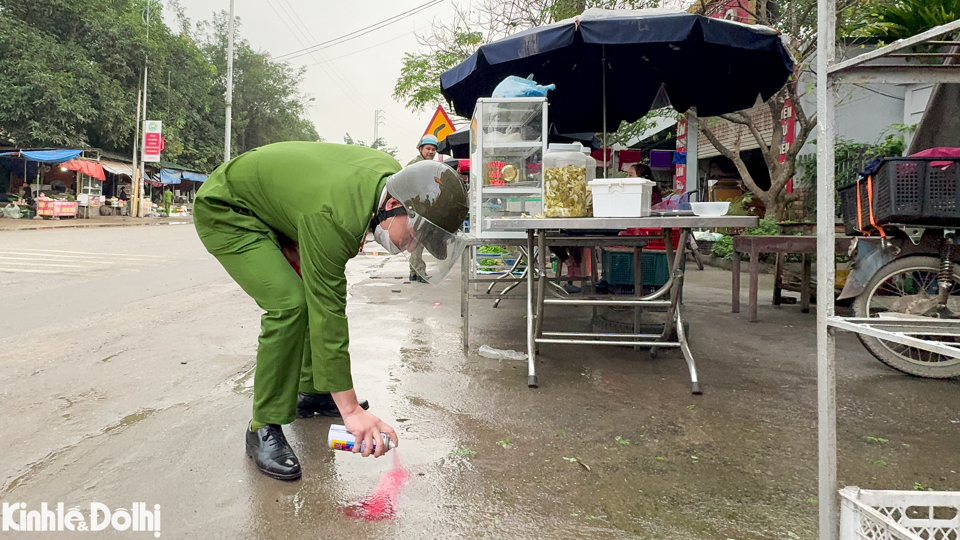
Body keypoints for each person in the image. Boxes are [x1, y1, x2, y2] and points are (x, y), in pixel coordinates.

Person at [193, 142, 468, 481]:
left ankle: (312, 391)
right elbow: (328, 310)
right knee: (290, 303)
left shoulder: (389, 179)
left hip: (278, 210)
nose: (413, 246)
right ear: (393, 205)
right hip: (229, 209)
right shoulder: (336, 215)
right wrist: (349, 410)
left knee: (307, 293)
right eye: (415, 236)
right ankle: (262, 426)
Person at [404, 134, 440, 282]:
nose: (431, 152)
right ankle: (420, 272)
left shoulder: (429, 165)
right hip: (415, 208)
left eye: (433, 149)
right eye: (428, 149)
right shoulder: (415, 164)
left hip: (422, 207)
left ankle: (414, 272)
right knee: (418, 241)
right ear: (420, 149)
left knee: (417, 241)